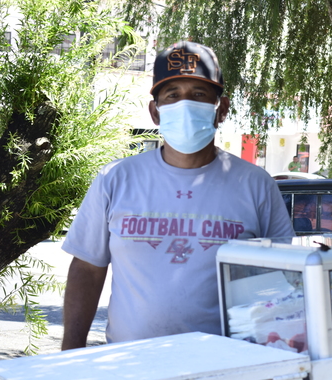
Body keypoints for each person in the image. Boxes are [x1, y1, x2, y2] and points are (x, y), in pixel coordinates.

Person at [61, 41, 295, 350]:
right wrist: (70, 352)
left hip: (226, 365)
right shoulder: (116, 179)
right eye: (172, 95)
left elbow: (279, 282)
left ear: (221, 109)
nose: (184, 104)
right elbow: (88, 271)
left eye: (199, 95)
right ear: (155, 113)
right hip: (128, 365)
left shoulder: (256, 186)